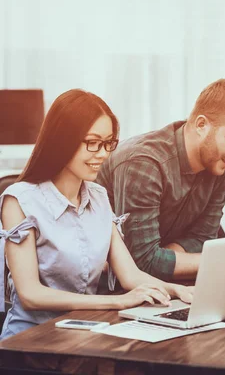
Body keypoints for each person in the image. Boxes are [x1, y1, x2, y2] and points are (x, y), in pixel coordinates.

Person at [0, 89, 193, 340]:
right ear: (62, 140)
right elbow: (30, 294)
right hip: (30, 341)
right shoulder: (20, 200)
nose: (102, 153)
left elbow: (130, 275)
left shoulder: (98, 196)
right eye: (92, 142)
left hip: (82, 333)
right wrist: (118, 303)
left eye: (108, 143)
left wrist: (178, 290)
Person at [96, 79, 225, 281]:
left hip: (163, 283)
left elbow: (203, 237)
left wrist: (165, 259)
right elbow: (142, 261)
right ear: (201, 125)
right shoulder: (144, 163)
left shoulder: (221, 162)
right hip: (110, 291)